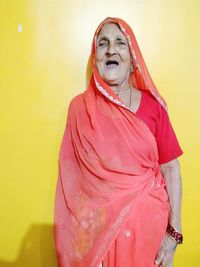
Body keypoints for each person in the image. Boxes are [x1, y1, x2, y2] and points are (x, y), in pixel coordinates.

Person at [54, 17, 183, 267]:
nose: (111, 49)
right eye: (103, 44)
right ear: (96, 58)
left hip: (150, 236)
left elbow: (171, 167)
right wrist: (88, 244)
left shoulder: (154, 107)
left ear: (133, 58)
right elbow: (73, 182)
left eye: (120, 43)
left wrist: (173, 233)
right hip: (98, 238)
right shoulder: (80, 109)